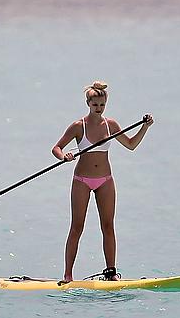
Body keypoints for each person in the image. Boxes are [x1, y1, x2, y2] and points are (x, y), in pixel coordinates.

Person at [52, 81, 154, 282]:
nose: (98, 108)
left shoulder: (111, 125)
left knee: (108, 226)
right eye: (95, 105)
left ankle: (111, 272)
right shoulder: (77, 126)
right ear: (88, 103)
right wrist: (64, 156)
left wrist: (145, 127)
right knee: (77, 227)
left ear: (105, 104)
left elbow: (131, 145)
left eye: (102, 105)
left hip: (105, 181)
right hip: (82, 180)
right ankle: (68, 275)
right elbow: (56, 148)